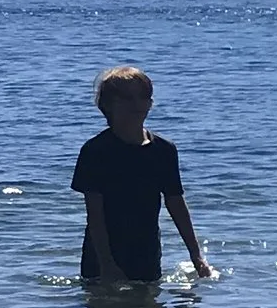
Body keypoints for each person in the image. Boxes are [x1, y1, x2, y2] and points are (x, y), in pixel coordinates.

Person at [71, 65, 214, 290]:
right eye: (127, 98)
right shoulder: (95, 151)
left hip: (146, 252)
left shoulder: (164, 150)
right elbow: (95, 214)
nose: (137, 104)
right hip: (101, 256)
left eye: (143, 97)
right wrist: (106, 262)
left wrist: (196, 256)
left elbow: (176, 203)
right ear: (107, 105)